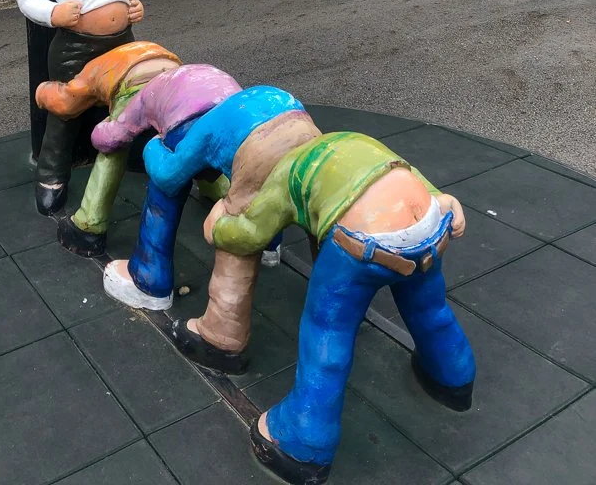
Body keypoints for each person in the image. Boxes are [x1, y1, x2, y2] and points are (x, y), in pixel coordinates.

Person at [204, 130, 475, 485]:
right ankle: (453, 376)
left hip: (365, 245)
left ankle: (303, 439)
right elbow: (400, 167)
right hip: (429, 224)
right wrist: (441, 197)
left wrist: (218, 226)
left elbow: (252, 233)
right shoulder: (350, 140)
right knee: (429, 307)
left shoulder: (286, 170)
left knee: (327, 330)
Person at [103, 85, 322, 371]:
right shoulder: (232, 97)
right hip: (303, 128)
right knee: (312, 205)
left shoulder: (197, 126)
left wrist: (153, 147)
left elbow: (169, 175)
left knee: (236, 229)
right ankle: (313, 279)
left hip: (255, 145)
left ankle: (200, 319)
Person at [15, 0, 144, 215]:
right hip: (76, 46)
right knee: (67, 109)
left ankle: (134, 152)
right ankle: (51, 174)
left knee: (131, 98)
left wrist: (131, 5)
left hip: (122, 40)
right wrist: (53, 13)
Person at [56, 62, 242, 260]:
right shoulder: (178, 76)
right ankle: (252, 226)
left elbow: (111, 139)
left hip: (182, 113)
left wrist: (150, 147)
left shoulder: (144, 95)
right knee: (239, 162)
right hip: (233, 105)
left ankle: (95, 229)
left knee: (166, 182)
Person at [36, 39, 182, 251]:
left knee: (112, 147)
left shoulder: (89, 74)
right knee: (189, 132)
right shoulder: (136, 47)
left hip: (135, 83)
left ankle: (89, 224)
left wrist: (42, 94)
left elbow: (66, 103)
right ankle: (216, 186)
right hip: (177, 74)